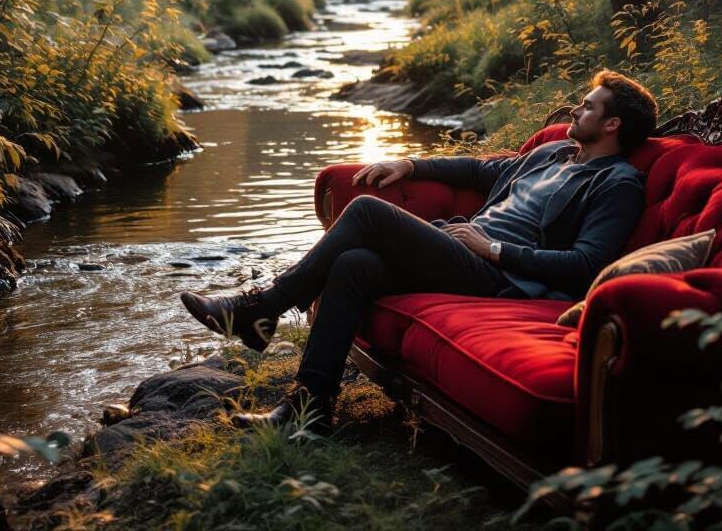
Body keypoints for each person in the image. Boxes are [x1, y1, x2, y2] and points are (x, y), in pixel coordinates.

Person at [180, 69, 657, 434]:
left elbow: (586, 266)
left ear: (612, 124)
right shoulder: (552, 154)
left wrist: (494, 249)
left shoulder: (618, 184)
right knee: (352, 265)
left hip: (500, 277)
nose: (575, 109)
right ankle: (310, 408)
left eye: (588, 106)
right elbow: (478, 171)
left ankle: (261, 308)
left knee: (367, 210)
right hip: (461, 250)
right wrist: (410, 163)